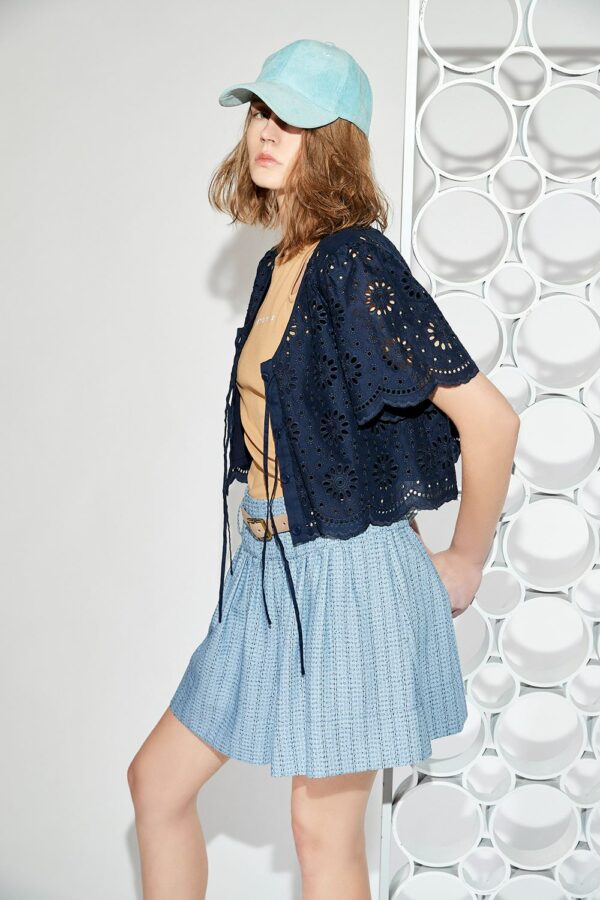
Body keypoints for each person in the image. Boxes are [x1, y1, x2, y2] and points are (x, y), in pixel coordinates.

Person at [127, 38, 519, 900]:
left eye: (294, 118)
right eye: (260, 112)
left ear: (335, 139)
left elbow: (491, 421)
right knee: (156, 786)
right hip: (267, 569)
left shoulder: (354, 262)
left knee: (322, 835)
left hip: (348, 571)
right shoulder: (278, 267)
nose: (267, 132)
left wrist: (465, 559)